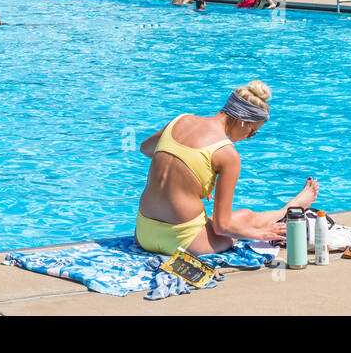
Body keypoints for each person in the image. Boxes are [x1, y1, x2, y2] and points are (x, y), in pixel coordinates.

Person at [135, 81, 318, 255]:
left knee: (225, 219)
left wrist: (194, 172)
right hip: (185, 242)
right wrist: (258, 234)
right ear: (242, 121)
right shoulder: (226, 153)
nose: (248, 137)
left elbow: (146, 148)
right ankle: (287, 210)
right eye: (253, 131)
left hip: (144, 235)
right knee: (246, 217)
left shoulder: (180, 120)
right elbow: (222, 227)